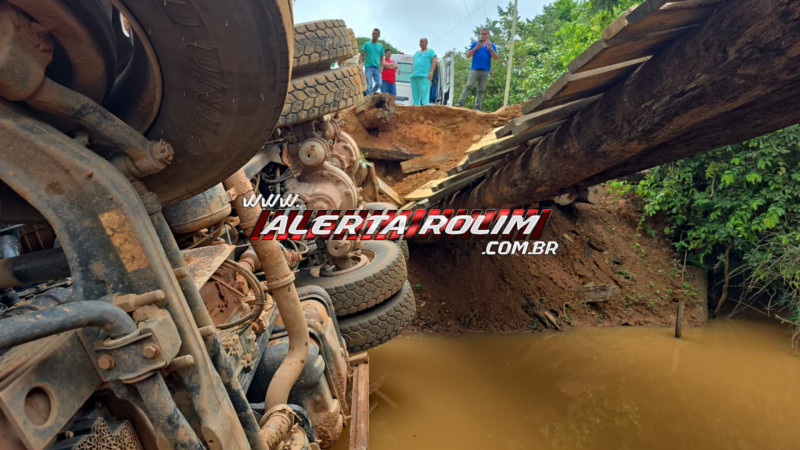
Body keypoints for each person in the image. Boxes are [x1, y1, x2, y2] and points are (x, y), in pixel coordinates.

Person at [456, 28, 498, 110]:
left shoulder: (492, 45)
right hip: (475, 69)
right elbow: (468, 55)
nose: (483, 36)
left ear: (488, 35)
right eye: (481, 34)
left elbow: (496, 57)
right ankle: (460, 102)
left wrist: (490, 48)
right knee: (468, 86)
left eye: (484, 34)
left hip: (485, 70)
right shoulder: (475, 44)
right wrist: (476, 48)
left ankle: (477, 107)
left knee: (481, 90)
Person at [410, 37, 437, 106]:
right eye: (420, 42)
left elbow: (434, 61)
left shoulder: (431, 51)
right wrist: (411, 70)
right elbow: (413, 62)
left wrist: (431, 72)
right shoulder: (416, 53)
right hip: (414, 76)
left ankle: (425, 108)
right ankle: (416, 108)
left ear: (426, 43)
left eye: (422, 42)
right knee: (415, 94)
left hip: (424, 76)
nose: (421, 43)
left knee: (424, 93)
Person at [360, 28, 384, 95]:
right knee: (369, 85)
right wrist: (361, 62)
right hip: (368, 67)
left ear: (378, 36)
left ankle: (370, 95)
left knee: (379, 83)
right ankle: (368, 97)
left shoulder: (380, 46)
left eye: (376, 34)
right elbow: (361, 55)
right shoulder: (366, 44)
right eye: (373, 34)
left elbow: (382, 57)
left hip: (377, 67)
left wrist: (382, 66)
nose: (374, 35)